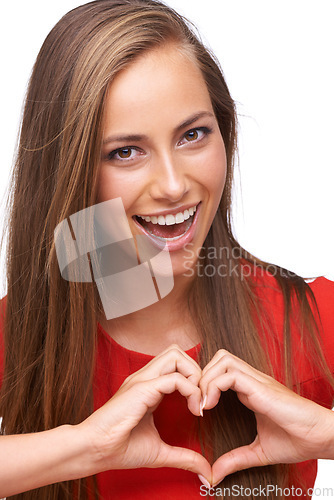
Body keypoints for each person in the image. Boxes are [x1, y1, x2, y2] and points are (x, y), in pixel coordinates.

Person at [0, 0, 333, 499]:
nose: (175, 185)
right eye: (125, 152)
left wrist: (327, 435)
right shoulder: (21, 332)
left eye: (193, 134)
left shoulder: (306, 315)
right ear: (67, 174)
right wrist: (83, 446)